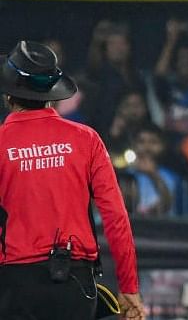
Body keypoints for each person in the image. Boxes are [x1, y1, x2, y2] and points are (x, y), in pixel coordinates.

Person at [0, 40, 145, 319]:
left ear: (8, 95)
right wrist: (129, 288)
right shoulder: (85, 139)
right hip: (74, 283)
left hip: (13, 283)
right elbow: (116, 216)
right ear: (52, 94)